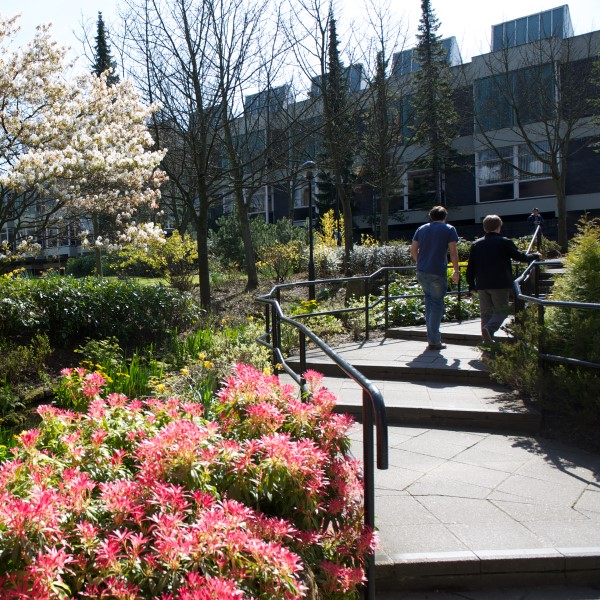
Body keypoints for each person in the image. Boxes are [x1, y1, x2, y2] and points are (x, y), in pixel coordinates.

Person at [466, 214, 541, 343]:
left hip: (482, 283)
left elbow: (470, 267)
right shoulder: (504, 242)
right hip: (500, 283)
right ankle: (489, 329)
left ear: (484, 228)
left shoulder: (476, 244)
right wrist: (535, 255)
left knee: (486, 313)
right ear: (499, 227)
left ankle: (487, 340)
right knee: (502, 310)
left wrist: (471, 285)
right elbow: (520, 257)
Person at [410, 206, 460, 351]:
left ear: (430, 216)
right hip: (438, 271)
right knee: (437, 304)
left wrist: (421, 262)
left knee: (429, 303)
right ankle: (434, 340)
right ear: (445, 216)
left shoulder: (421, 229)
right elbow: (453, 253)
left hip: (422, 271)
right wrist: (456, 271)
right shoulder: (449, 229)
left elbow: (413, 251)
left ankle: (432, 338)